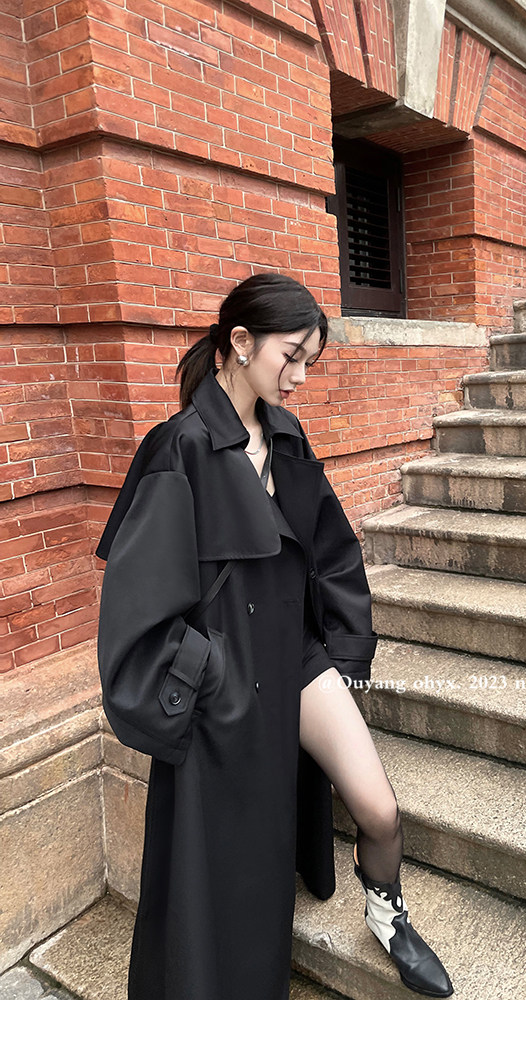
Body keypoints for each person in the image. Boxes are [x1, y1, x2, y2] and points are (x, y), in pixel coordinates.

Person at [95, 272, 453, 1000]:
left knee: (378, 808)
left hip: (296, 655)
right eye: (290, 357)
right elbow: (135, 597)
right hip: (223, 672)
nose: (298, 378)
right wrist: (203, 670)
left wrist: (345, 654)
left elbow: (333, 552)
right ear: (240, 342)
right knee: (229, 859)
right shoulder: (178, 447)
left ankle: (387, 914)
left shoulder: (287, 437)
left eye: (308, 362)